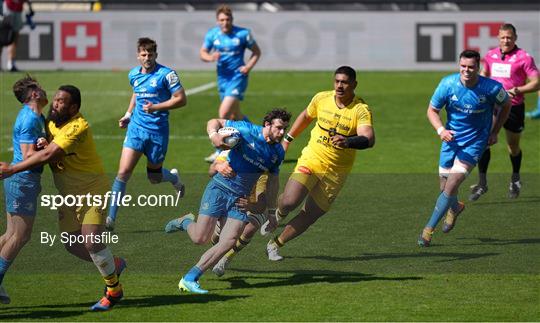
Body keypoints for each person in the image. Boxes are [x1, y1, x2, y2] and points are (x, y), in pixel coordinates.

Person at [0, 85, 126, 311]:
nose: (56, 104)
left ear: (74, 107)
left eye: (61, 102)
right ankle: (114, 264)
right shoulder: (48, 123)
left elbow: (49, 154)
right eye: (56, 100)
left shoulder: (78, 126)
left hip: (91, 189)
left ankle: (114, 291)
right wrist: (43, 143)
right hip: (68, 195)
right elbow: (45, 148)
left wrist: (13, 169)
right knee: (71, 244)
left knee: (90, 240)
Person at [164, 109, 290, 293]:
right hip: (219, 189)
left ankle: (190, 278)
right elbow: (214, 121)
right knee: (201, 239)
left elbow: (273, 182)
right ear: (267, 125)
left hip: (239, 199)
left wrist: (271, 213)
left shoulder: (277, 152)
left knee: (229, 241)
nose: (281, 133)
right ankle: (185, 222)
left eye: (284, 129)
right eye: (279, 128)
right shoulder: (246, 131)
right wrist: (214, 137)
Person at [261, 66, 375, 261]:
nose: (340, 86)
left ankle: (275, 244)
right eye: (337, 81)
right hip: (312, 159)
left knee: (311, 214)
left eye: (345, 82)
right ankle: (278, 213)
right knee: (290, 201)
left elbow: (369, 139)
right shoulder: (321, 98)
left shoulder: (360, 109)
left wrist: (348, 141)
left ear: (354, 84)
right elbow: (306, 116)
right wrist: (288, 139)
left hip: (336, 172)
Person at [418, 50, 511, 247]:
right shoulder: (447, 84)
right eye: (463, 66)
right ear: (459, 65)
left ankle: (427, 230)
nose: (466, 70)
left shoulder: (491, 88)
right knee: (444, 187)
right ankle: (456, 208)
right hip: (450, 141)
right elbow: (432, 110)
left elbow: (507, 105)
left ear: (479, 68)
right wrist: (441, 130)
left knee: (451, 186)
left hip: (476, 142)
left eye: (471, 67)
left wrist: (495, 132)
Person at [106, 37, 187, 231]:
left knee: (154, 178)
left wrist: (156, 107)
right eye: (143, 54)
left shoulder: (167, 75)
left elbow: (181, 99)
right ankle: (110, 218)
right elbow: (136, 92)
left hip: (158, 133)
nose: (147, 57)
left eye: (150, 54)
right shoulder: (133, 74)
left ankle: (174, 178)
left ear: (156, 55)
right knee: (123, 172)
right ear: (138, 56)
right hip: (136, 130)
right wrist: (128, 114)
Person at [469, 24, 539, 201]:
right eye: (502, 37)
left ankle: (515, 179)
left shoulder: (524, 58)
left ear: (515, 38)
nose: (506, 40)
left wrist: (518, 90)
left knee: (513, 146)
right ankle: (482, 183)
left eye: (509, 37)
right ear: (498, 38)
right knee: (484, 142)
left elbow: (536, 83)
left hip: (514, 107)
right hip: (493, 107)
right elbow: (484, 74)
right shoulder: (491, 56)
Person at [0, 75, 47, 304]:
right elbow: (29, 156)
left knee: (10, 235)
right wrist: (49, 152)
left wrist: (42, 144)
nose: (44, 91)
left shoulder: (35, 116)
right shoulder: (29, 119)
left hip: (21, 180)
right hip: (23, 181)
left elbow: (31, 148)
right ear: (34, 94)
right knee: (21, 235)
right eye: (40, 88)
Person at [200, 4, 261, 163]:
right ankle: (256, 139)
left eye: (227, 19)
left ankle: (219, 150)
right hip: (222, 79)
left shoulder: (242, 34)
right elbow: (203, 53)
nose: (225, 22)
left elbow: (256, 52)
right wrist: (210, 57)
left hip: (237, 78)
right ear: (217, 21)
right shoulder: (213, 34)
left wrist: (248, 66)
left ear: (232, 19)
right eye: (221, 20)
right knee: (236, 116)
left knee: (224, 113)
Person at [207, 151, 272, 277]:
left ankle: (226, 258)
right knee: (217, 237)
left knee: (250, 228)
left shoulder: (261, 172)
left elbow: (261, 205)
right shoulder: (229, 154)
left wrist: (249, 205)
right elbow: (211, 171)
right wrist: (218, 166)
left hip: (252, 203)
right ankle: (217, 253)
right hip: (227, 199)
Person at [0, 0, 33, 72]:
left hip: (18, 10)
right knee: (2, 37)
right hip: (8, 8)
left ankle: (11, 63)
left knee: (15, 37)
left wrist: (29, 6)